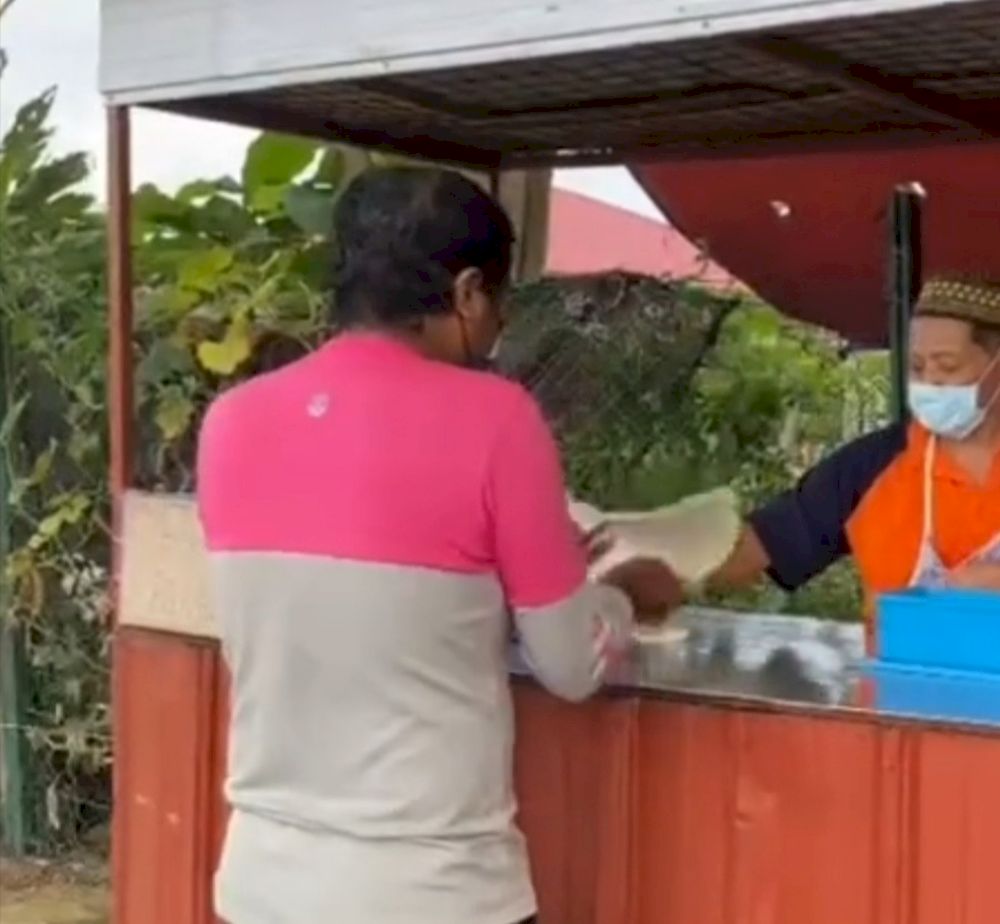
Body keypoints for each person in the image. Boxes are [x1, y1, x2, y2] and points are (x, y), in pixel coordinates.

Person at [196, 167, 678, 924]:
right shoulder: (497, 419)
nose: (497, 327)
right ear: (466, 292)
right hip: (435, 891)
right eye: (499, 301)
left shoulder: (232, 421)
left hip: (262, 885)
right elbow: (570, 665)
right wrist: (620, 598)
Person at [710, 275, 1000, 635]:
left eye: (948, 366)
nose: (930, 383)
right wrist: (644, 569)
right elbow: (759, 545)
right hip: (901, 684)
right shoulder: (875, 463)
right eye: (918, 367)